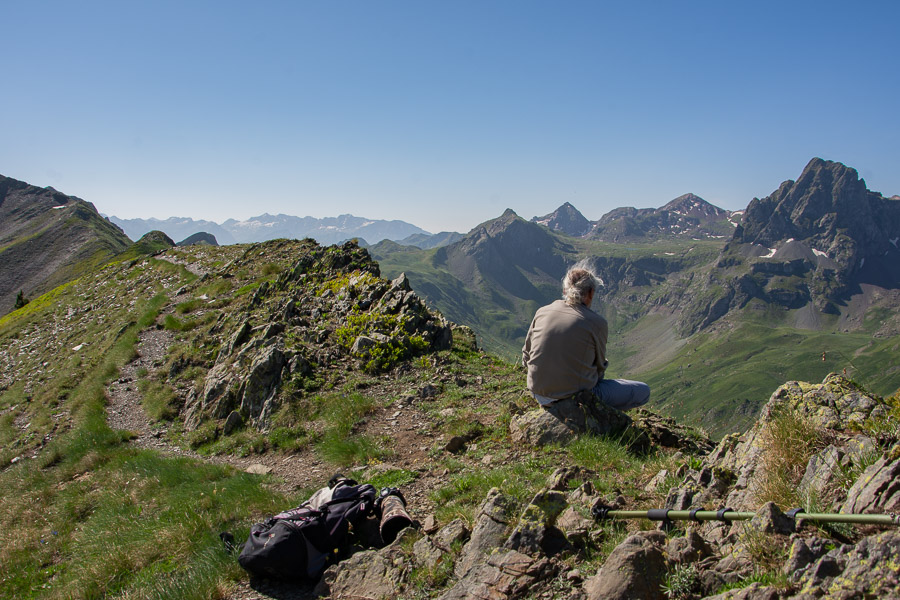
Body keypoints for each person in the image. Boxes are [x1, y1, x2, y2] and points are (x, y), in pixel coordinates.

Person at [522, 266, 650, 411]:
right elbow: (600, 368)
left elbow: (526, 355)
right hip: (574, 397)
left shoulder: (542, 311)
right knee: (642, 390)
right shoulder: (596, 323)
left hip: (537, 391)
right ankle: (602, 419)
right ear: (590, 293)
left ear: (564, 290)